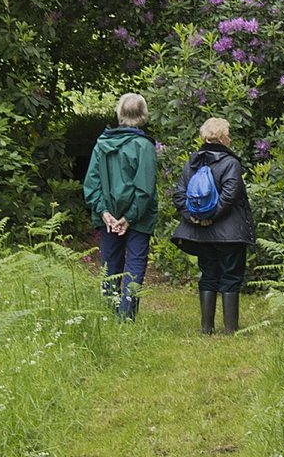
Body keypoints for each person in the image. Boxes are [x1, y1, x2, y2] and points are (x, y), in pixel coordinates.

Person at [171, 117, 255, 335]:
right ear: (224, 137)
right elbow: (229, 196)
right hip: (229, 233)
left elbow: (179, 194)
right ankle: (230, 329)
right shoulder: (231, 163)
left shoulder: (192, 162)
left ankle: (206, 327)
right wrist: (213, 216)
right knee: (231, 276)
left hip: (201, 233)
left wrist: (195, 218)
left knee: (208, 275)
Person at [82, 93, 158, 321]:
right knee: (134, 264)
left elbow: (91, 183)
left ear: (120, 114)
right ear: (143, 115)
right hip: (138, 217)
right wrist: (130, 217)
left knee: (109, 265)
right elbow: (145, 189)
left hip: (110, 217)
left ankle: (109, 314)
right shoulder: (143, 146)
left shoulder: (101, 143)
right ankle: (126, 317)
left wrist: (104, 213)